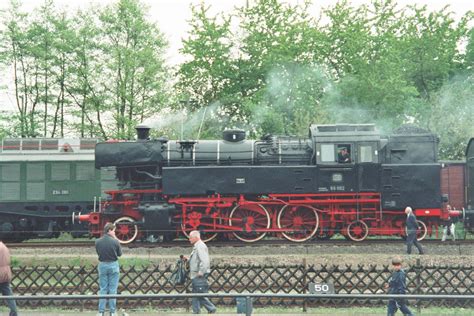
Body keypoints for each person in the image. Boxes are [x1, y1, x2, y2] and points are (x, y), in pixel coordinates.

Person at [95, 223, 122, 316]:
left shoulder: (97, 241)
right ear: (110, 230)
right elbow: (120, 254)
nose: (115, 232)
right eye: (114, 230)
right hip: (113, 265)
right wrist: (115, 239)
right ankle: (112, 311)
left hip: (102, 265)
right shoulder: (115, 242)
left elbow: (98, 252)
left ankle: (101, 311)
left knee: (103, 288)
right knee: (112, 289)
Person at [188, 230, 216, 314]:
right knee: (196, 292)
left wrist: (201, 271)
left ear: (196, 237)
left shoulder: (200, 246)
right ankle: (196, 310)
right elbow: (197, 259)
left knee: (198, 292)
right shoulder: (197, 245)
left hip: (198, 273)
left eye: (190, 237)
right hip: (196, 273)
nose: (189, 239)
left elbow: (204, 260)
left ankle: (211, 308)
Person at [0, 241, 18, 316]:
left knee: (8, 293)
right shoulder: (3, 246)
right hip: (6, 272)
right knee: (8, 294)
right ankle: (14, 312)